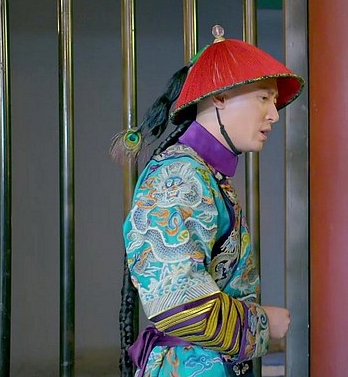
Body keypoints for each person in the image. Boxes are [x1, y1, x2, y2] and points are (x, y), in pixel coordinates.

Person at [111, 25, 302, 377]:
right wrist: (263, 323)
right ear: (220, 97)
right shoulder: (179, 177)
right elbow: (178, 304)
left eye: (274, 102)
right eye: (263, 98)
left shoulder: (202, 173)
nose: (274, 114)